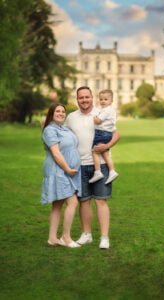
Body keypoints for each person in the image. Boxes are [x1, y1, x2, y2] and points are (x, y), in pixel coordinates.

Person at [65, 86, 120, 249]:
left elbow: (117, 134)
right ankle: (86, 234)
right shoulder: (71, 117)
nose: (84, 100)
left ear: (92, 98)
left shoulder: (101, 112)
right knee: (84, 202)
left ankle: (104, 238)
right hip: (79, 166)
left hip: (101, 165)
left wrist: (107, 146)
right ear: (77, 99)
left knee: (101, 201)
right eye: (81, 97)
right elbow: (66, 138)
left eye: (87, 97)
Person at [41, 103, 81, 248]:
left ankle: (52, 238)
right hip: (58, 170)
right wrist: (68, 169)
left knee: (57, 205)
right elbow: (56, 153)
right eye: (57, 111)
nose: (61, 113)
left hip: (67, 171)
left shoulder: (64, 128)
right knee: (73, 202)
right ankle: (66, 237)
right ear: (51, 113)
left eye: (63, 111)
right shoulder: (50, 130)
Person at [89, 89, 119, 184]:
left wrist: (94, 117)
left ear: (111, 101)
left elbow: (98, 121)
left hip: (101, 133)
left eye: (105, 99)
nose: (102, 101)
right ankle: (112, 171)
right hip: (107, 133)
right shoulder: (110, 110)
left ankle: (97, 172)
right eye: (101, 99)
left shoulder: (106, 110)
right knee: (104, 153)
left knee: (95, 151)